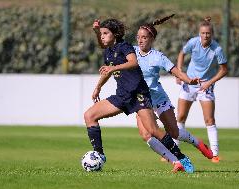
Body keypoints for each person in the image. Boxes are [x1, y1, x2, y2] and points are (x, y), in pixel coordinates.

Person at [86, 18, 194, 173]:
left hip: (138, 95)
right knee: (89, 115)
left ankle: (182, 158)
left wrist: (113, 68)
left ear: (115, 34)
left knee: (153, 130)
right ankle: (100, 155)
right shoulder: (108, 51)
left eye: (105, 33)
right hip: (122, 96)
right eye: (101, 34)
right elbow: (108, 70)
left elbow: (133, 62)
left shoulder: (125, 46)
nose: (102, 36)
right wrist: (98, 87)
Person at [133, 14, 213, 161]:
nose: (140, 40)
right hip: (142, 100)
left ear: (151, 39)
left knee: (174, 132)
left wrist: (189, 80)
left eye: (144, 37)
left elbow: (176, 71)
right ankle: (176, 161)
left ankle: (199, 144)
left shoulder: (158, 57)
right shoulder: (132, 52)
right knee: (146, 135)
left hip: (157, 97)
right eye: (138, 37)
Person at [176, 17, 228, 163]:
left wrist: (209, 83)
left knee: (209, 119)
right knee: (180, 117)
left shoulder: (217, 49)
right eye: (203, 33)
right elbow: (182, 53)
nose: (205, 36)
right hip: (189, 84)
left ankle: (215, 153)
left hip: (206, 87)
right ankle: (174, 150)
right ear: (199, 34)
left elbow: (224, 70)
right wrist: (180, 72)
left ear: (212, 34)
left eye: (208, 33)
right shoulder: (193, 43)